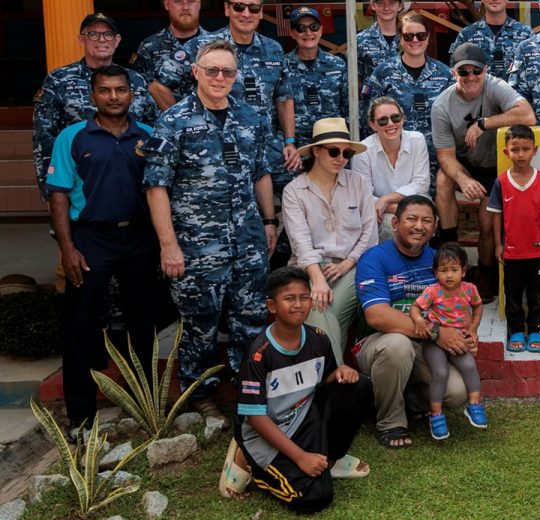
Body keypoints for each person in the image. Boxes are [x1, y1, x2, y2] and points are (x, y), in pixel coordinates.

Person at [143, 39, 277, 420]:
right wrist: (168, 246)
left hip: (248, 240)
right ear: (196, 72)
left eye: (228, 71)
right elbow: (156, 187)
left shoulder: (251, 117)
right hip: (197, 246)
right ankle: (198, 395)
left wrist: (269, 221)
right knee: (200, 322)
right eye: (212, 70)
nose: (220, 77)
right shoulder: (174, 121)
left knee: (250, 319)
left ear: (236, 75)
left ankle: (247, 393)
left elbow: (261, 173)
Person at [46, 65, 158, 440]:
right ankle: (81, 418)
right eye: (105, 90)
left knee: (143, 325)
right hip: (91, 238)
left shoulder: (148, 135)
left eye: (120, 90)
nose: (114, 97)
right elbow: (58, 193)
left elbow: (159, 190)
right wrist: (68, 248)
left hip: (141, 238)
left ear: (131, 94)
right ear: (93, 96)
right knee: (81, 326)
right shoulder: (72, 137)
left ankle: (146, 408)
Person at [222, 266, 372, 511]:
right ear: (272, 306)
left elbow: (326, 381)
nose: (299, 304)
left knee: (359, 386)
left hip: (303, 417)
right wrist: (300, 457)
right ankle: (251, 462)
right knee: (315, 497)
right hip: (267, 432)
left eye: (304, 297)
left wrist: (341, 372)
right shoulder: (259, 355)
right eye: (289, 299)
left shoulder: (318, 338)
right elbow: (256, 417)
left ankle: (330, 459)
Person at [353, 196, 474, 449]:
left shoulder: (439, 262)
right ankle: (390, 422)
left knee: (457, 391)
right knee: (398, 346)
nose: (419, 226)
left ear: (435, 226)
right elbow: (377, 315)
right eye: (411, 219)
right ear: (395, 223)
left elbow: (456, 307)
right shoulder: (374, 258)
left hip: (424, 347)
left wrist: (467, 336)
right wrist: (437, 333)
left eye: (426, 221)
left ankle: (410, 402)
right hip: (379, 344)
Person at [431, 43, 537, 300]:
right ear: (454, 73)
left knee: (487, 220)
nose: (470, 77)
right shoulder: (441, 106)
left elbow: (527, 115)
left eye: (475, 71)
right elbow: (445, 156)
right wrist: (464, 179)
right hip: (465, 164)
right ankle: (450, 254)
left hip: (495, 166)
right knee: (444, 180)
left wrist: (483, 124)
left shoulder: (495, 86)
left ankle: (487, 271)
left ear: (485, 70)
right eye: (463, 71)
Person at [174, 0, 300, 185]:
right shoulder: (201, 46)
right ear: (227, 9)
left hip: (264, 146)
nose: (246, 13)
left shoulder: (273, 49)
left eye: (253, 8)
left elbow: (283, 97)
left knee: (294, 187)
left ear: (260, 13)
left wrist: (290, 142)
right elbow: (159, 86)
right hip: (214, 146)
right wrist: (185, 125)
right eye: (239, 7)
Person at [281, 118, 377, 365]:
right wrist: (317, 279)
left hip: (353, 266)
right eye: (334, 151)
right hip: (309, 266)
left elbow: (369, 232)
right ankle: (337, 374)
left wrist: (347, 264)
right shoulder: (294, 190)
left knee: (325, 309)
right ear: (316, 151)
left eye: (346, 153)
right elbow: (300, 242)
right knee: (318, 305)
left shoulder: (358, 183)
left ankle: (330, 378)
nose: (341, 158)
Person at [33, 13, 156, 199]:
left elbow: (152, 129)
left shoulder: (136, 80)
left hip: (130, 177)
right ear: (81, 39)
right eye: (93, 34)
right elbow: (44, 135)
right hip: (78, 180)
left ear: (117, 40)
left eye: (107, 34)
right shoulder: (59, 79)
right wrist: (51, 189)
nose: (101, 40)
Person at [487, 125, 540, 354]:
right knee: (513, 294)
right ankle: (516, 331)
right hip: (511, 252)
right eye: (515, 149)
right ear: (506, 152)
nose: (520, 154)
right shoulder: (501, 182)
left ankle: (536, 330)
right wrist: (499, 244)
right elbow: (496, 215)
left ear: (534, 150)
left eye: (525, 149)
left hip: (537, 252)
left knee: (538, 294)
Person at [409, 243, 487, 440]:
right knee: (440, 373)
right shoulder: (432, 291)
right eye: (443, 271)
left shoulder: (469, 290)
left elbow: (477, 306)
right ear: (436, 272)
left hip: (458, 339)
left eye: (454, 270)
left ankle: (474, 405)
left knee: (469, 365)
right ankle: (436, 415)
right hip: (433, 342)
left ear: (463, 271)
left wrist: (473, 328)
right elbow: (415, 308)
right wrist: (419, 320)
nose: (449, 275)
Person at [361, 11, 453, 169]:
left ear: (428, 38)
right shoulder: (383, 73)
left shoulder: (445, 74)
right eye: (409, 36)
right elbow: (368, 118)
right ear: (400, 38)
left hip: (436, 159)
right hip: (394, 159)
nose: (415, 40)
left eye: (421, 35)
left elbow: (454, 118)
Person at [351, 97, 431, 240]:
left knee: (423, 221)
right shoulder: (363, 151)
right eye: (382, 120)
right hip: (383, 211)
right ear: (372, 124)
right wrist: (398, 208)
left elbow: (421, 184)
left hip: (415, 206)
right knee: (390, 226)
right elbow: (364, 195)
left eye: (395, 118)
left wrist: (386, 199)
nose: (390, 124)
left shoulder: (417, 140)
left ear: (402, 119)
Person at [131, 0, 209, 110]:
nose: (185, 7)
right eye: (178, 1)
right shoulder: (149, 47)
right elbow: (141, 92)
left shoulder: (215, 45)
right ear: (167, 4)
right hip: (165, 126)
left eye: (191, 1)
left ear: (199, 4)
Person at [285, 7, 348, 151]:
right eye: (301, 28)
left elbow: (347, 107)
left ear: (321, 30)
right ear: (292, 33)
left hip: (331, 144)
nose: (308, 33)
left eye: (313, 27)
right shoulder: (282, 67)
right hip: (296, 148)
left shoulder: (337, 64)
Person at [451, 0, 534, 77]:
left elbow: (533, 73)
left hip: (514, 93)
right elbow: (456, 73)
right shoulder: (467, 35)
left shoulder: (525, 33)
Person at [355, 0, 405, 101]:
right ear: (373, 5)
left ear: (400, 5)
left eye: (392, 3)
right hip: (371, 109)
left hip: (404, 108)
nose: (386, 8)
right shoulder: (360, 40)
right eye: (380, 3)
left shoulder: (410, 37)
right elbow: (353, 80)